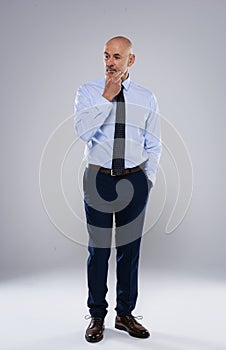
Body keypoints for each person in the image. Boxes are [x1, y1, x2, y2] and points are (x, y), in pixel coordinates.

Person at [74, 36, 162, 343]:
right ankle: (97, 315)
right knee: (98, 250)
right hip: (98, 178)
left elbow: (154, 142)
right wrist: (106, 98)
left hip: (134, 180)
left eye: (117, 56)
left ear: (130, 60)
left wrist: (146, 181)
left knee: (129, 251)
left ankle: (125, 314)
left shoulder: (146, 96)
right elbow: (82, 131)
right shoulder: (87, 92)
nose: (110, 62)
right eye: (106, 56)